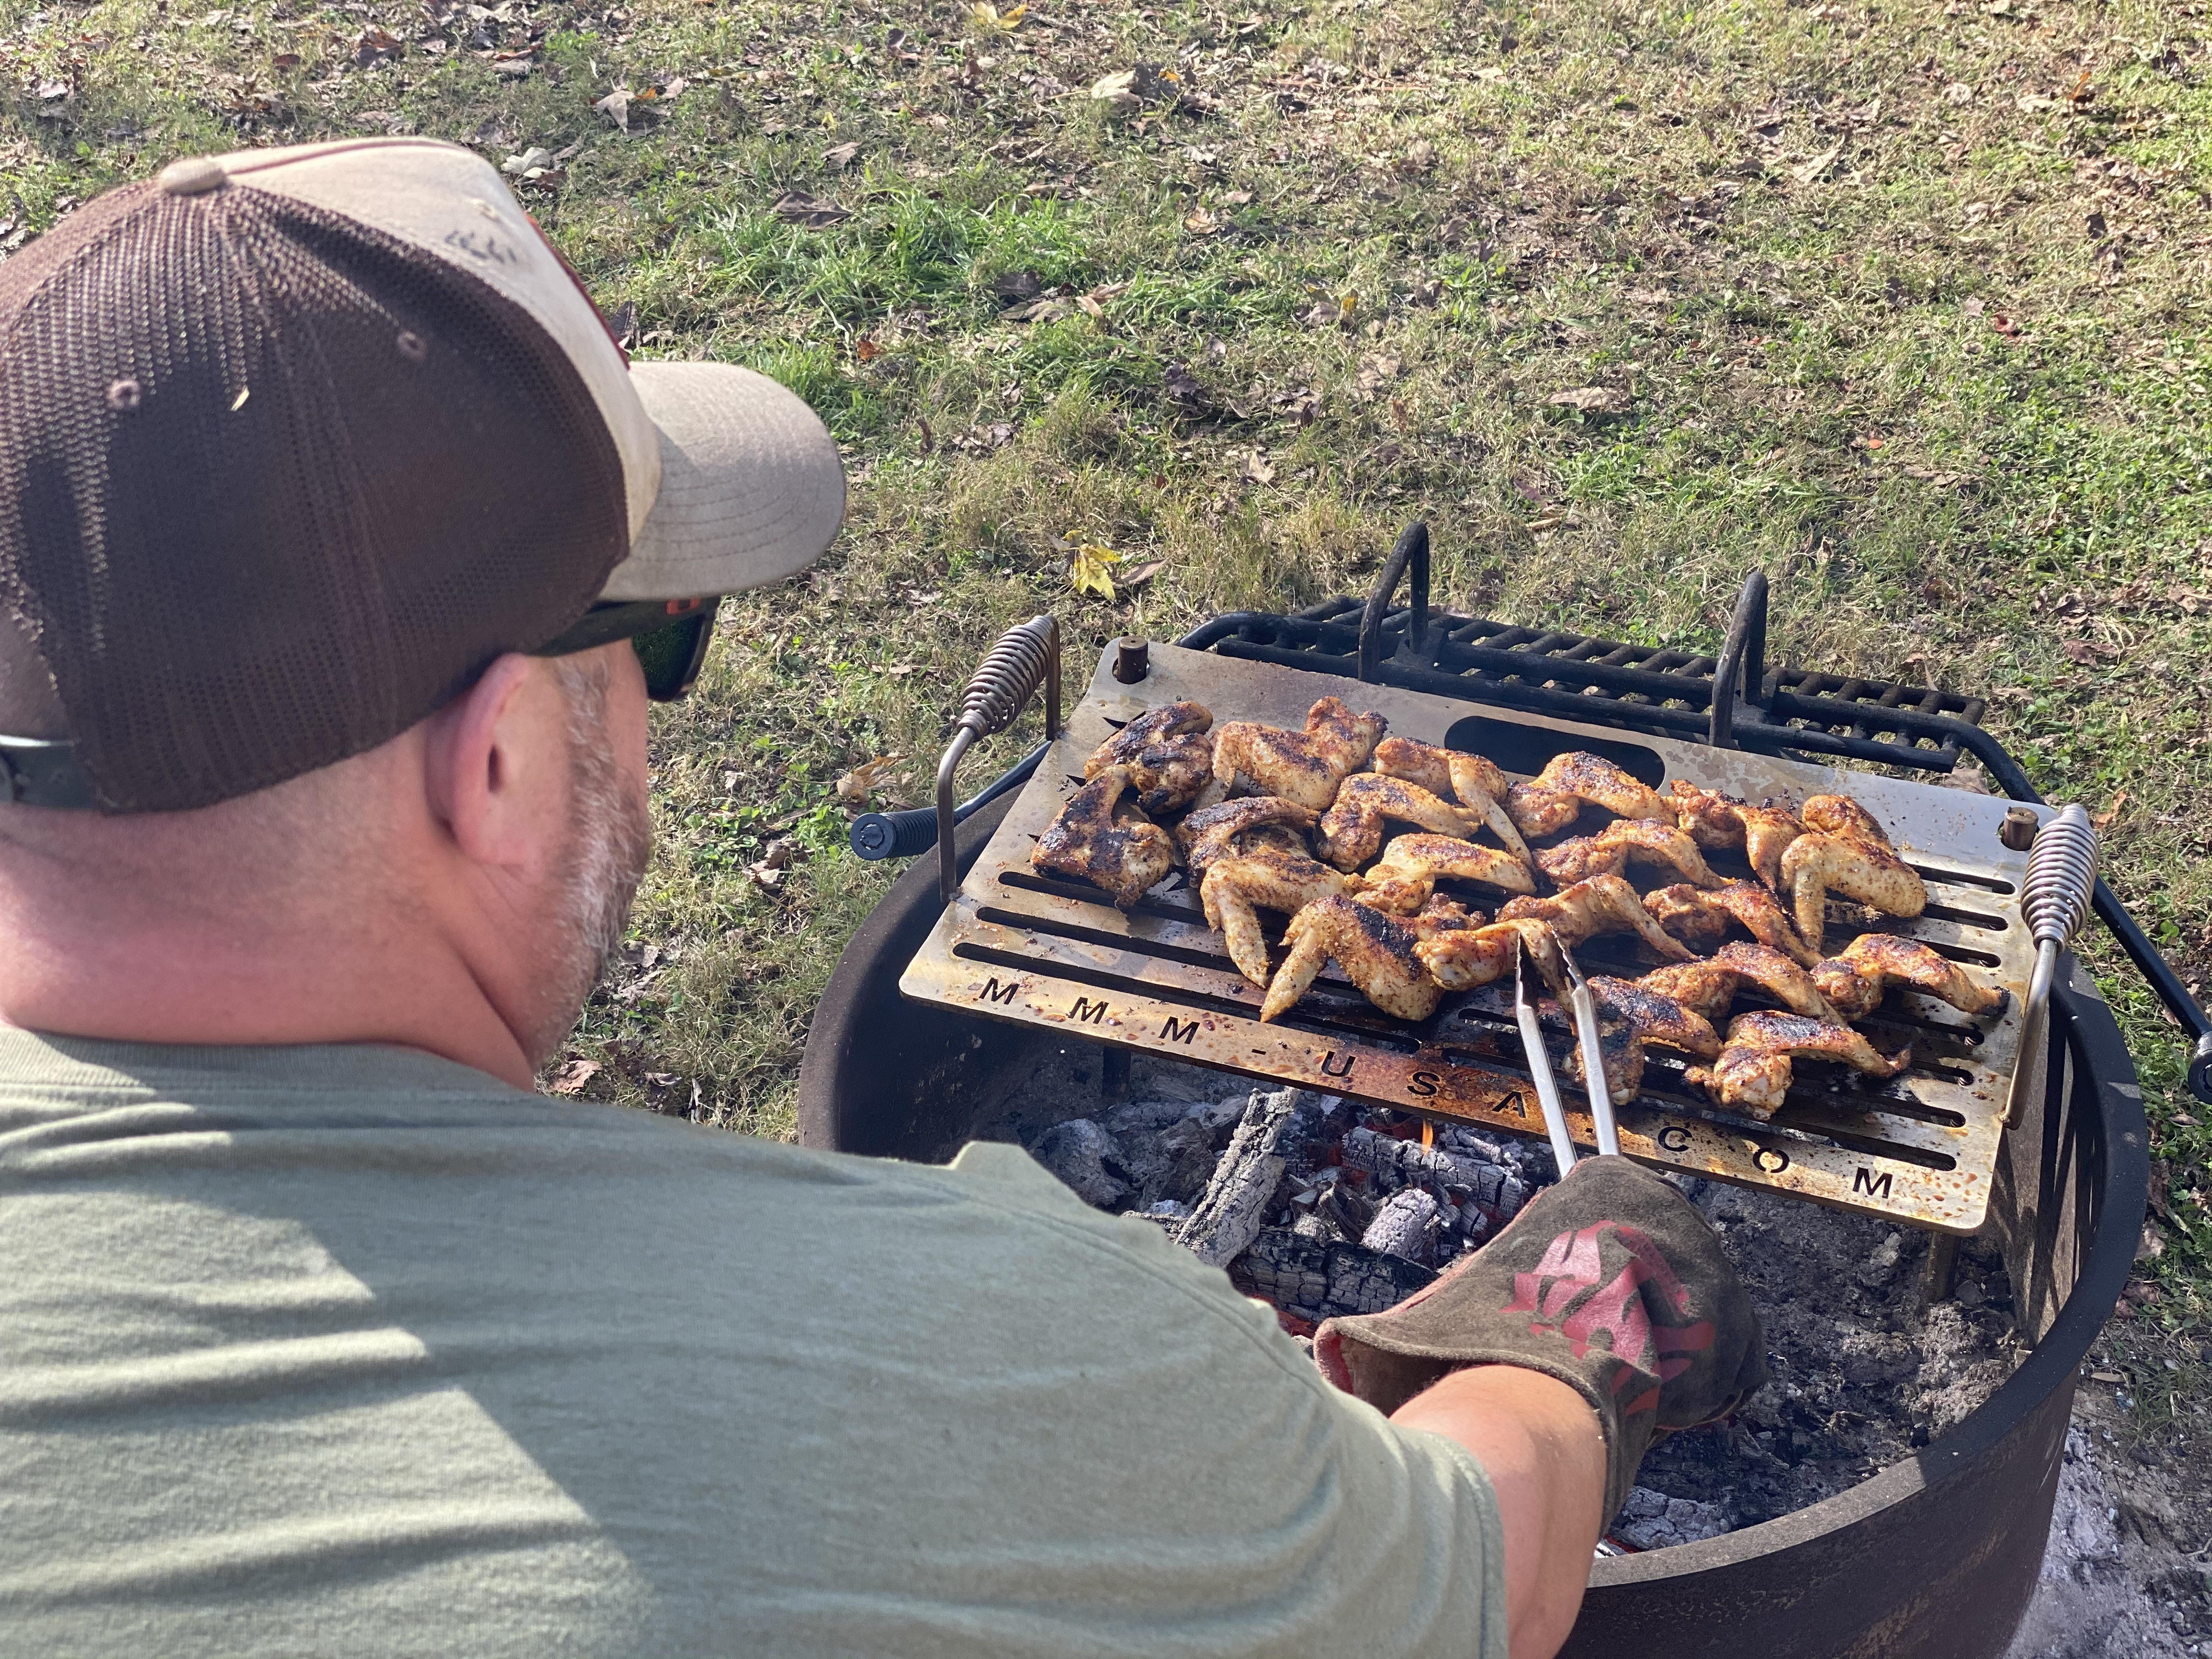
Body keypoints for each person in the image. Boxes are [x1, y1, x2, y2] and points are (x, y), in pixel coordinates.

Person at [0, 139, 1765, 1659]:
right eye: (662, 634)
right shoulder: (980, 1370)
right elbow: (1484, 1573)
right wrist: (1570, 1317)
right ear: (499, 765)